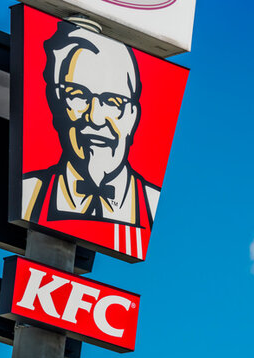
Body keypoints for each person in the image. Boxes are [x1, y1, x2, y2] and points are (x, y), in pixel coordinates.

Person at [21, 21, 160, 258]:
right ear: (57, 105)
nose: (95, 118)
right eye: (78, 96)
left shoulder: (150, 202)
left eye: (113, 102)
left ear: (133, 116)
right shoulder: (29, 192)